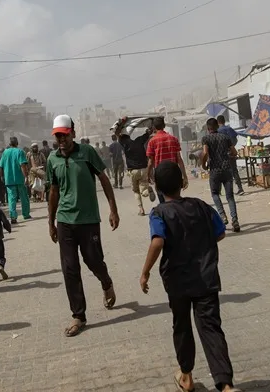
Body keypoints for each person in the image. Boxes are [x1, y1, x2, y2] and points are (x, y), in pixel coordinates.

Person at [140, 161, 236, 392]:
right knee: (211, 328)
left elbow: (157, 241)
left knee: (181, 326)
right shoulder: (201, 206)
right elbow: (220, 233)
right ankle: (226, 385)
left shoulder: (159, 213)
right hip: (206, 278)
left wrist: (145, 272)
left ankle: (186, 377)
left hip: (177, 282)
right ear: (182, 182)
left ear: (157, 187)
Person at [47, 115, 120, 337]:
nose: (61, 140)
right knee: (70, 268)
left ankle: (106, 282)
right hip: (65, 221)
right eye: (58, 136)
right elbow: (53, 191)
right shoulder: (52, 159)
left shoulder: (87, 152)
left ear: (73, 133)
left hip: (88, 220)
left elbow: (104, 179)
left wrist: (113, 209)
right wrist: (51, 222)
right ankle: (78, 315)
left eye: (65, 135)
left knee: (94, 260)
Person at [201, 118, 241, 233]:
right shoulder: (225, 137)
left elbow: (205, 153)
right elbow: (234, 152)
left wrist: (203, 165)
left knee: (215, 193)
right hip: (227, 169)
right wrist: (228, 155)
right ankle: (235, 220)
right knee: (230, 196)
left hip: (214, 170)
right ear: (217, 126)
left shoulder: (206, 138)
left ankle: (222, 216)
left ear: (208, 128)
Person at [146, 116, 188, 200]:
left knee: (163, 202)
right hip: (174, 173)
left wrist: (148, 175)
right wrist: (184, 176)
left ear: (154, 127)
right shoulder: (174, 139)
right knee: (175, 200)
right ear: (164, 125)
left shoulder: (152, 141)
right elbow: (179, 159)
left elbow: (150, 162)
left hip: (160, 175)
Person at [118, 124, 156, 215]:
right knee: (143, 191)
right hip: (143, 169)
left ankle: (141, 209)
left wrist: (120, 126)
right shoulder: (139, 141)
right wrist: (150, 128)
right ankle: (147, 190)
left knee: (136, 191)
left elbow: (118, 135)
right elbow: (148, 133)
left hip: (133, 171)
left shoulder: (126, 144)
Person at [0, 137, 31, 222]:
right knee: (24, 197)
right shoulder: (20, 152)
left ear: (9, 144)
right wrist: (26, 177)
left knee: (11, 198)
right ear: (17, 143)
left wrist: (2, 176)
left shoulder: (5, 152)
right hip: (20, 178)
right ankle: (26, 214)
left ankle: (13, 217)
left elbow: (1, 166)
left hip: (9, 179)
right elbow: (22, 165)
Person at [217, 115, 245, 196]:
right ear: (224, 121)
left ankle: (220, 190)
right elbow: (235, 140)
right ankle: (240, 188)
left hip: (221, 155)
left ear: (218, 122)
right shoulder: (229, 129)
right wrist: (231, 148)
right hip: (231, 153)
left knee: (221, 172)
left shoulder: (217, 131)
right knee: (234, 171)